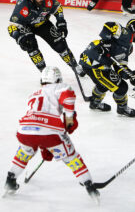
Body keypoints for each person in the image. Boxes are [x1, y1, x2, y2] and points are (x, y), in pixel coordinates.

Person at [3, 66, 99, 201]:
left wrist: (44, 146)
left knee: (25, 151)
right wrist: (69, 122)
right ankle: (89, 185)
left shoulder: (34, 94)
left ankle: (10, 180)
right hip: (50, 131)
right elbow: (68, 102)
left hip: (24, 130)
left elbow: (36, 126)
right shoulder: (61, 87)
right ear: (58, 79)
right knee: (71, 157)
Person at [7, 0, 84, 76]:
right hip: (26, 26)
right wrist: (19, 38)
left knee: (60, 45)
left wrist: (61, 23)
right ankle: (44, 73)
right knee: (31, 46)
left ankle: (75, 66)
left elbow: (57, 8)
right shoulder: (22, 6)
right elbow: (12, 26)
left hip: (42, 23)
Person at [79, 19, 135, 117]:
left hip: (95, 63)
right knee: (122, 87)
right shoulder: (125, 33)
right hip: (93, 63)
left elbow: (119, 66)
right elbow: (108, 25)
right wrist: (106, 42)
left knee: (104, 84)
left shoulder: (129, 48)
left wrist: (131, 75)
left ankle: (95, 103)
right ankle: (122, 108)